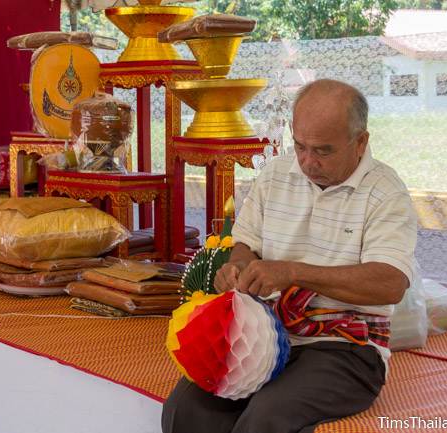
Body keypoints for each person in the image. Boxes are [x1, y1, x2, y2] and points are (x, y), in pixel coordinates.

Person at [161, 79, 417, 433]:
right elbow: (244, 245)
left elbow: (390, 284)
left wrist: (293, 272)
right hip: (265, 333)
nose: (308, 162)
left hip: (345, 348)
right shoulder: (278, 174)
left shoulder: (385, 192)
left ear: (361, 142)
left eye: (323, 151)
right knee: (188, 408)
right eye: (300, 146)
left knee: (268, 418)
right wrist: (237, 268)